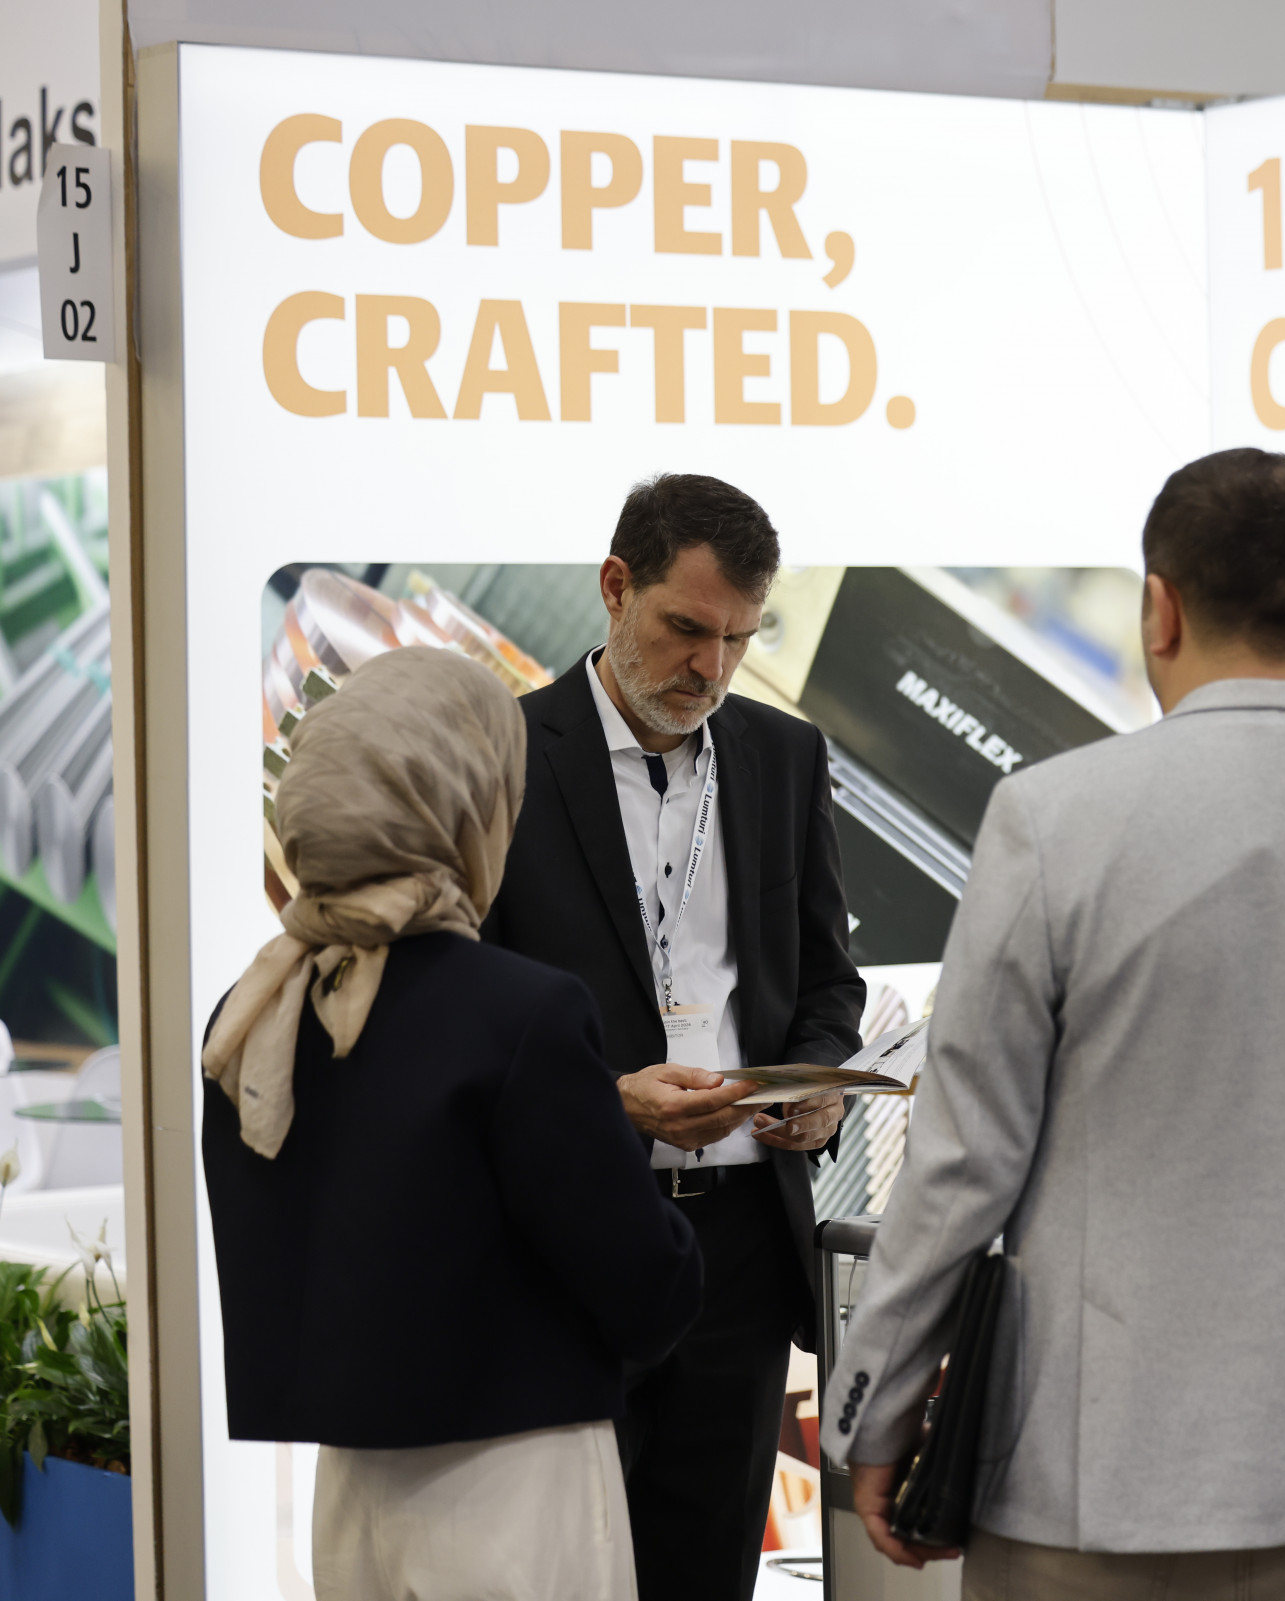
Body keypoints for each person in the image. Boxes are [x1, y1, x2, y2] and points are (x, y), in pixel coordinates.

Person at [826, 448, 1285, 1601]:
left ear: (1158, 610)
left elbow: (964, 1162)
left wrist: (875, 1404)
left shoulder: (1050, 818)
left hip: (1096, 1482)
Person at [202, 646, 702, 1601]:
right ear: (467, 801)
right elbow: (648, 1283)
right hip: (515, 1482)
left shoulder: (255, 1008)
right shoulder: (517, 1012)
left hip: (350, 1488)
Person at [480, 473, 866, 1601]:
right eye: (688, 628)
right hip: (566, 1238)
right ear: (615, 587)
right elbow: (463, 1009)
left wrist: (819, 1086)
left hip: (738, 1250)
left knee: (707, 1570)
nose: (712, 666)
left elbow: (825, 980)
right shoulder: (503, 754)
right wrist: (606, 1100)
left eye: (740, 638)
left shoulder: (784, 757)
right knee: (558, 1575)